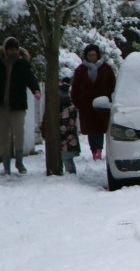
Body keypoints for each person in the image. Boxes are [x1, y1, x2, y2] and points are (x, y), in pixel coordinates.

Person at [0, 37, 41, 175]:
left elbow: (30, 78)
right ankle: (6, 165)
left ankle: (19, 161)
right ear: (5, 50)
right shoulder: (0, 64)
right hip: (2, 107)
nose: (13, 52)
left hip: (18, 105)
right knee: (3, 136)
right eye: (10, 49)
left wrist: (35, 89)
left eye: (15, 49)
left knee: (19, 134)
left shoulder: (23, 64)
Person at [70, 44, 116, 161]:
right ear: (86, 56)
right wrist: (78, 103)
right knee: (91, 130)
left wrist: (110, 99)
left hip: (102, 104)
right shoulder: (80, 70)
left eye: (94, 54)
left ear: (97, 55)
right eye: (89, 55)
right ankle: (93, 150)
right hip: (86, 106)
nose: (92, 57)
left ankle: (99, 150)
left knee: (99, 129)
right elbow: (75, 88)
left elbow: (112, 84)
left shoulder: (106, 69)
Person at [46, 75, 81, 174]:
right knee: (66, 158)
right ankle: (69, 172)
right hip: (67, 138)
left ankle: (70, 173)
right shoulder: (68, 108)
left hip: (66, 138)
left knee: (67, 158)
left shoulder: (66, 109)